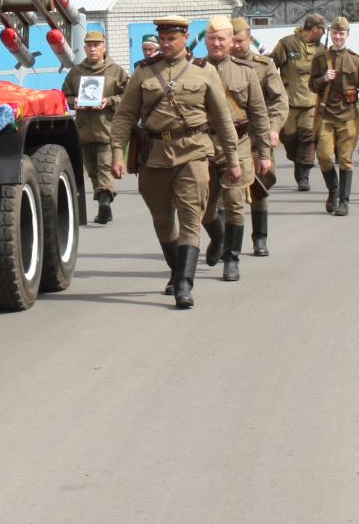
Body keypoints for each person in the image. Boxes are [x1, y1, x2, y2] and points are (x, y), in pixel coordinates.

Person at [108, 15, 242, 309]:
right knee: (163, 220)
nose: (166, 44)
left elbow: (222, 120)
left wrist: (233, 159)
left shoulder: (204, 73)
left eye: (172, 39)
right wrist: (117, 153)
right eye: (163, 39)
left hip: (194, 151)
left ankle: (184, 285)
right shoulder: (143, 74)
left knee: (190, 218)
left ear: (185, 38)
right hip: (154, 155)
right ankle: (176, 269)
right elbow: (124, 117)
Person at [196, 16, 273, 282]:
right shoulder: (195, 69)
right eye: (212, 38)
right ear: (205, 40)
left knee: (234, 203)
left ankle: (232, 258)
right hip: (204, 146)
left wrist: (263, 153)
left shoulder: (245, 71)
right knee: (203, 207)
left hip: (239, 146)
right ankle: (218, 239)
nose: (216, 43)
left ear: (231, 41)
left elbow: (259, 115)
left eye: (222, 39)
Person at [230, 17, 286, 255]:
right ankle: (226, 243)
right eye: (231, 40)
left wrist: (273, 128)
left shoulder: (264, 66)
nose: (234, 45)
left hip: (257, 136)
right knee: (227, 192)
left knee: (260, 186)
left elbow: (279, 100)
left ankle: (260, 238)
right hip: (229, 139)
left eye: (239, 40)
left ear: (250, 39)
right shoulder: (215, 66)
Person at [61, 28, 128, 224]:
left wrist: (110, 100)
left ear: (104, 47)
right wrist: (76, 102)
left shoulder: (116, 71)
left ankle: (105, 201)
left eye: (96, 45)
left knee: (105, 168)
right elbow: (65, 96)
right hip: (84, 131)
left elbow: (129, 97)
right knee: (92, 171)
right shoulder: (76, 72)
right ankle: (103, 205)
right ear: (84, 47)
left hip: (107, 130)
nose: (92, 49)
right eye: (89, 45)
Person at [310, 16, 359, 215]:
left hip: (348, 115)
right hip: (326, 115)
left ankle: (344, 201)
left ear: (347, 35)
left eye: (341, 34)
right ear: (331, 34)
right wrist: (323, 78)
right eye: (335, 33)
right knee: (325, 156)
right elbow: (312, 85)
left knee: (345, 159)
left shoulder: (355, 60)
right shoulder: (320, 59)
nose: (338, 37)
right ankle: (333, 190)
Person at [271, 13, 327, 190]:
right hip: (289, 103)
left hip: (311, 103)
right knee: (289, 139)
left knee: (307, 138)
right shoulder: (287, 44)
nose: (324, 34)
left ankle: (304, 176)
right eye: (322, 30)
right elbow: (271, 67)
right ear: (315, 29)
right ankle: (297, 161)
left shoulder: (322, 50)